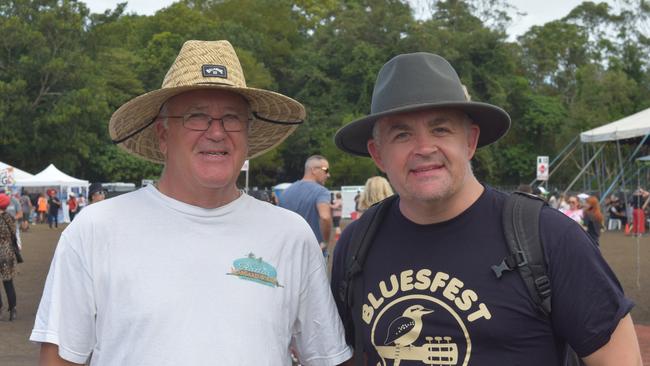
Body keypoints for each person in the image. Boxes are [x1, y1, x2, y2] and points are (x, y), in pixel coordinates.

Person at [30, 40, 351, 365]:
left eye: (231, 118)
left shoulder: (291, 235)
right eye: (197, 117)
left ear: (248, 135)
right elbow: (60, 358)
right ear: (163, 134)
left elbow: (326, 355)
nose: (216, 132)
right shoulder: (96, 228)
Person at [331, 52, 641, 365]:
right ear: (378, 154)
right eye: (402, 134)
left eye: (441, 130)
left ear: (470, 141)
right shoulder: (357, 245)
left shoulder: (550, 238)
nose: (424, 148)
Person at [280, 155, 333, 256]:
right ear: (313, 170)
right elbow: (325, 217)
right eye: (326, 170)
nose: (328, 175)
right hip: (314, 252)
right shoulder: (321, 192)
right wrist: (325, 242)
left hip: (289, 251)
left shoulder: (285, 193)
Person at [0, 193, 19, 321]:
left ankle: (0, 308)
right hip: (8, 253)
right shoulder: (10, 218)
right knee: (8, 282)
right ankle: (13, 309)